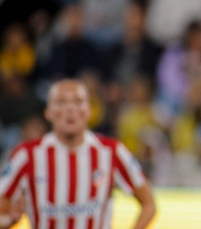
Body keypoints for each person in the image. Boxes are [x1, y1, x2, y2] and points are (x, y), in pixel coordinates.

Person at [0, 79, 156, 229]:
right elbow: (3, 211)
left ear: (89, 110)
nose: (70, 109)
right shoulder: (27, 155)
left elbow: (149, 204)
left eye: (78, 102)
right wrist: (9, 221)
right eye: (61, 102)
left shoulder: (112, 151)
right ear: (48, 112)